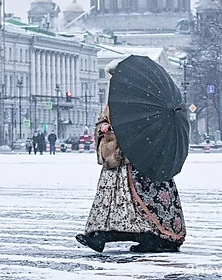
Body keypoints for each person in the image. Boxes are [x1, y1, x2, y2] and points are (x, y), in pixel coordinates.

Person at [76, 105, 186, 253]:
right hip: (116, 163)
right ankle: (99, 236)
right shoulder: (120, 99)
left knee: (143, 207)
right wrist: (105, 127)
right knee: (111, 203)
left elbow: (155, 132)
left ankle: (149, 238)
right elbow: (102, 121)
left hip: (144, 164)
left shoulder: (156, 106)